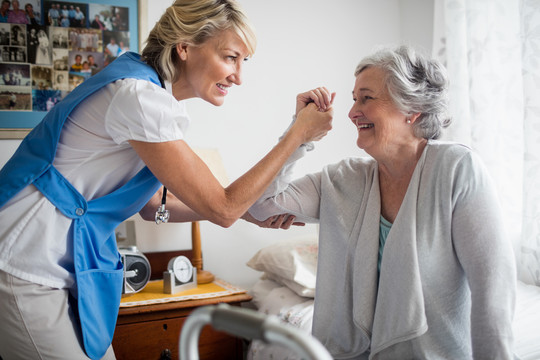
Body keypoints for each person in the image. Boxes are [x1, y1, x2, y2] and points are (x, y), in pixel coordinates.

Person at [0, 0, 333, 359]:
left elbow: (151, 205)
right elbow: (223, 207)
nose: (239, 76)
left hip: (53, 263)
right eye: (230, 57)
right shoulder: (140, 99)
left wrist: (247, 212)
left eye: (243, 61)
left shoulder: (150, 94)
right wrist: (297, 135)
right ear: (185, 47)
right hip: (24, 259)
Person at [246, 45, 517, 359]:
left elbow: (492, 290)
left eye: (366, 98)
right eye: (354, 99)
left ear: (411, 109)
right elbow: (260, 205)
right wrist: (297, 134)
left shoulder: (456, 168)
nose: (351, 112)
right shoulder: (343, 179)